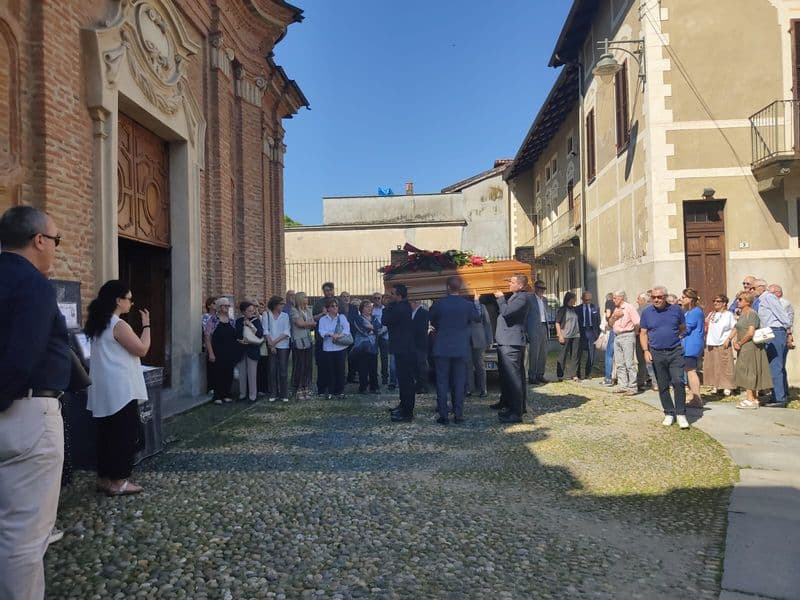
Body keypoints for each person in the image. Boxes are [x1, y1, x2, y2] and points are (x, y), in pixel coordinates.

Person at [0, 206, 71, 599]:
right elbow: (21, 356)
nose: (56, 249)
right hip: (26, 413)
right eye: (56, 240)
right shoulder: (34, 284)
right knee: (24, 538)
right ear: (38, 240)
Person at [85, 279, 150, 496]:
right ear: (118, 300)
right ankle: (119, 481)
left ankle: (104, 478)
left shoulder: (98, 323)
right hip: (121, 390)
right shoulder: (118, 325)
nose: (131, 303)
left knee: (106, 436)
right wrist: (147, 326)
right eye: (129, 299)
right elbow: (141, 349)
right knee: (123, 436)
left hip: (104, 390)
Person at [429, 276, 481, 424]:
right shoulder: (467, 305)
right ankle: (458, 415)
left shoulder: (440, 304)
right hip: (460, 348)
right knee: (459, 382)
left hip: (442, 347)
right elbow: (477, 318)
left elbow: (431, 318)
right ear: (460, 288)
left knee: (442, 382)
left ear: (447, 287)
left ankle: (444, 415)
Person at [639, 286, 689, 428]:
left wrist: (676, 337)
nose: (656, 299)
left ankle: (681, 414)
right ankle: (668, 412)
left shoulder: (676, 310)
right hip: (656, 352)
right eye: (654, 297)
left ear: (665, 297)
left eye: (659, 297)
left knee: (679, 381)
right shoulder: (647, 312)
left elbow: (682, 327)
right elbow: (643, 332)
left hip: (675, 351)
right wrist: (645, 350)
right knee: (662, 384)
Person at [494, 274, 530, 423]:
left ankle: (517, 413)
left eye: (512, 282)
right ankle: (512, 405)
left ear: (520, 285)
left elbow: (507, 312)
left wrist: (500, 298)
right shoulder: (516, 296)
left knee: (515, 379)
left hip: (512, 343)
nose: (509, 284)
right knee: (509, 377)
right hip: (507, 342)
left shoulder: (522, 297)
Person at [752, 279, 791, 407]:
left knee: (775, 366)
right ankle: (778, 395)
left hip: (775, 331)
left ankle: (779, 399)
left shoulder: (768, 297)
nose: (751, 291)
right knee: (773, 366)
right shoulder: (762, 299)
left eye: (753, 288)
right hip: (769, 331)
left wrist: (787, 328)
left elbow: (781, 313)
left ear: (761, 287)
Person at [732, 291, 773, 409]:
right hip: (743, 346)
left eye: (740, 299)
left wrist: (740, 342)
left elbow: (750, 332)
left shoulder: (752, 314)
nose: (737, 301)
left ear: (747, 302)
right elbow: (738, 328)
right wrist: (732, 340)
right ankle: (753, 398)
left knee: (748, 371)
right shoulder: (742, 313)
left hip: (749, 346)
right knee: (746, 370)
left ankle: (750, 399)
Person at [382, 284, 416, 422]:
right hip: (403, 348)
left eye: (392, 293)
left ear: (399, 295)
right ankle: (404, 405)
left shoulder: (400, 308)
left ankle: (407, 412)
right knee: (403, 381)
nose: (390, 295)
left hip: (404, 349)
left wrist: (386, 306)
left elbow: (385, 320)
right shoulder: (402, 306)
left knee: (406, 381)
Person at [205, 298, 238, 404]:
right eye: (225, 306)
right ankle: (217, 396)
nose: (227, 308)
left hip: (230, 351)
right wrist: (210, 352)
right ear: (219, 307)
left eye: (228, 306)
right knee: (217, 373)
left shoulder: (232, 321)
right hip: (217, 351)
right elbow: (207, 337)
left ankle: (226, 394)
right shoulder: (213, 320)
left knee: (228, 373)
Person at [608, 290, 640, 395]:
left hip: (627, 335)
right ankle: (623, 385)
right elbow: (610, 324)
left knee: (629, 362)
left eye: (615, 298)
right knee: (619, 362)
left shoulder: (629, 307)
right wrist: (614, 316)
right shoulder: (616, 309)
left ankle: (633, 386)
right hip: (617, 336)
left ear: (621, 297)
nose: (613, 300)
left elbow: (637, 322)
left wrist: (634, 334)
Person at [703, 294, 736, 396]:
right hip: (711, 343)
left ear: (724, 303)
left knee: (725, 365)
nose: (715, 303)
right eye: (714, 301)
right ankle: (716, 385)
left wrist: (729, 339)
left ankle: (727, 386)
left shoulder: (729, 315)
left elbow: (735, 327)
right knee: (713, 365)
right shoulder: (711, 314)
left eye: (718, 301)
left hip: (723, 342)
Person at [317, 298, 350, 399]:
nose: (335, 308)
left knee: (340, 370)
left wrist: (338, 336)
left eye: (336, 306)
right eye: (332, 306)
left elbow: (347, 330)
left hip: (340, 347)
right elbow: (322, 332)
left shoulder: (342, 317)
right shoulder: (323, 319)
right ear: (327, 308)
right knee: (329, 370)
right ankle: (330, 390)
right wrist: (331, 334)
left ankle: (339, 391)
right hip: (328, 347)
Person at [680, 288, 705, 408]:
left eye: (684, 297)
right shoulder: (687, 312)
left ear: (690, 299)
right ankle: (691, 395)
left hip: (692, 344)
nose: (682, 299)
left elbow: (687, 327)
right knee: (688, 370)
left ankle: (697, 397)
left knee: (691, 371)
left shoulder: (696, 311)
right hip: (687, 344)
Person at [235, 301, 264, 402]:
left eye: (253, 310)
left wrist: (250, 326)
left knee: (252, 374)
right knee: (242, 374)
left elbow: (260, 334)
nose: (252, 312)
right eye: (249, 310)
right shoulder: (238, 321)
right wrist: (240, 340)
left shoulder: (256, 321)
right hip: (241, 350)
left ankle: (253, 396)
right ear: (243, 312)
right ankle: (242, 394)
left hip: (252, 350)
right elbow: (236, 334)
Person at [264, 295, 291, 402]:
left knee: (283, 370)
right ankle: (273, 393)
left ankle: (284, 394)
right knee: (272, 369)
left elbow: (286, 332)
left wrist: (274, 343)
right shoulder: (267, 315)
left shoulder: (285, 316)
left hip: (282, 345)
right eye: (281, 304)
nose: (283, 306)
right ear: (275, 305)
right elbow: (266, 331)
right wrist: (271, 345)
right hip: (271, 345)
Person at [351, 300, 381, 394]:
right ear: (362, 308)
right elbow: (361, 329)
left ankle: (374, 387)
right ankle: (363, 387)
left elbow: (379, 328)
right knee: (363, 367)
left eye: (370, 306)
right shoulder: (358, 318)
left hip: (373, 346)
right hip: (362, 346)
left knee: (373, 367)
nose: (369, 308)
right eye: (366, 307)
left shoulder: (375, 318)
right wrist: (372, 330)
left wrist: (372, 329)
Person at [290, 292, 315, 399]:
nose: (307, 298)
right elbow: (300, 324)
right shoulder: (294, 310)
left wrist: (308, 323)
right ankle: (298, 389)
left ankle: (306, 387)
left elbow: (311, 322)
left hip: (308, 339)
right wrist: (309, 323)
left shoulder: (308, 310)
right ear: (300, 299)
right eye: (305, 297)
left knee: (308, 365)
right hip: (298, 340)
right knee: (300, 365)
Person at [467, 299, 493, 398]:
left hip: (479, 339)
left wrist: (489, 339)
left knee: (480, 365)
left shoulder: (482, 307)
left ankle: (483, 389)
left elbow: (487, 323)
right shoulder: (464, 305)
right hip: (466, 339)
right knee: (467, 365)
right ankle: (470, 389)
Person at [526, 279, 549, 384]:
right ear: (535, 288)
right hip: (533, 328)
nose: (541, 290)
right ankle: (532, 376)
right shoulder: (529, 299)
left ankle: (540, 374)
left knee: (543, 353)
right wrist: (526, 330)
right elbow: (525, 315)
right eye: (539, 288)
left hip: (544, 326)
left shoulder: (544, 299)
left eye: (543, 288)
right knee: (534, 353)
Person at [555, 292, 581, 381]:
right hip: (565, 335)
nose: (575, 300)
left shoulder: (575, 309)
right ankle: (560, 375)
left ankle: (574, 374)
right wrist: (560, 335)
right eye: (574, 298)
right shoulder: (562, 310)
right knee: (563, 355)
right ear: (570, 299)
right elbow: (557, 323)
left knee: (575, 355)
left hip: (576, 335)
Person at [635, 291, 657, 391]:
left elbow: (637, 323)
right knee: (653, 360)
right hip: (654, 336)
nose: (637, 301)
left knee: (643, 360)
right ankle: (655, 382)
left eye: (638, 299)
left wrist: (635, 332)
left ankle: (643, 381)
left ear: (643, 300)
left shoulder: (642, 309)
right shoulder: (655, 308)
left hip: (642, 336)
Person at [576, 291, 601, 379]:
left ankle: (588, 373)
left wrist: (598, 335)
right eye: (586, 300)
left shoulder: (595, 308)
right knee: (578, 353)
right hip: (581, 332)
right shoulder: (577, 309)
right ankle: (577, 373)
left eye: (589, 300)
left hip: (591, 332)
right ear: (582, 299)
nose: (588, 302)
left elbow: (598, 321)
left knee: (591, 353)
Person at [410, 299, 430, 393]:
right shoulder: (411, 313)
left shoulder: (424, 313)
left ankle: (423, 385)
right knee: (415, 365)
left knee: (421, 365)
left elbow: (422, 328)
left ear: (415, 302)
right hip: (412, 343)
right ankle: (418, 384)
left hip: (420, 343)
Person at [371, 292, 390, 385]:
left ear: (381, 299)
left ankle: (385, 377)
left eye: (379, 298)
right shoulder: (370, 309)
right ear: (373, 299)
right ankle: (374, 375)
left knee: (384, 357)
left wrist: (382, 331)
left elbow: (388, 323)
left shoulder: (385, 309)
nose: (377, 300)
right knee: (373, 356)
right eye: (375, 298)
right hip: (373, 336)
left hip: (384, 335)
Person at [202, 296, 217, 392]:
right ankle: (211, 387)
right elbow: (206, 331)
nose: (216, 305)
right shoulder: (206, 317)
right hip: (209, 344)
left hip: (219, 344)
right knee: (211, 366)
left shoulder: (218, 317)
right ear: (209, 306)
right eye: (214, 303)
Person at [602, 292, 616, 386]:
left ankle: (608, 378)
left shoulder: (609, 303)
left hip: (613, 329)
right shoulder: (624, 305)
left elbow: (608, 314)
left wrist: (608, 321)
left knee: (609, 354)